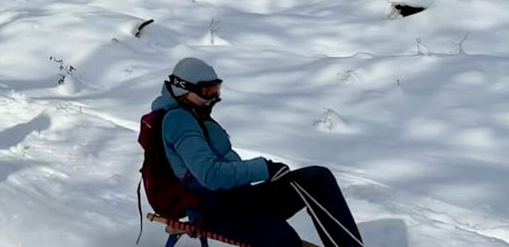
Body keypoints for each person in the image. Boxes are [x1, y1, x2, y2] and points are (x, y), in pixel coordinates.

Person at [151, 57, 363, 247]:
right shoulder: (179, 120)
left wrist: (265, 171)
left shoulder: (195, 114)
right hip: (216, 211)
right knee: (285, 241)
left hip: (240, 199)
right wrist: (264, 168)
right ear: (183, 88)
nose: (213, 98)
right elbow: (211, 175)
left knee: (317, 179)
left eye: (216, 90)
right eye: (207, 91)